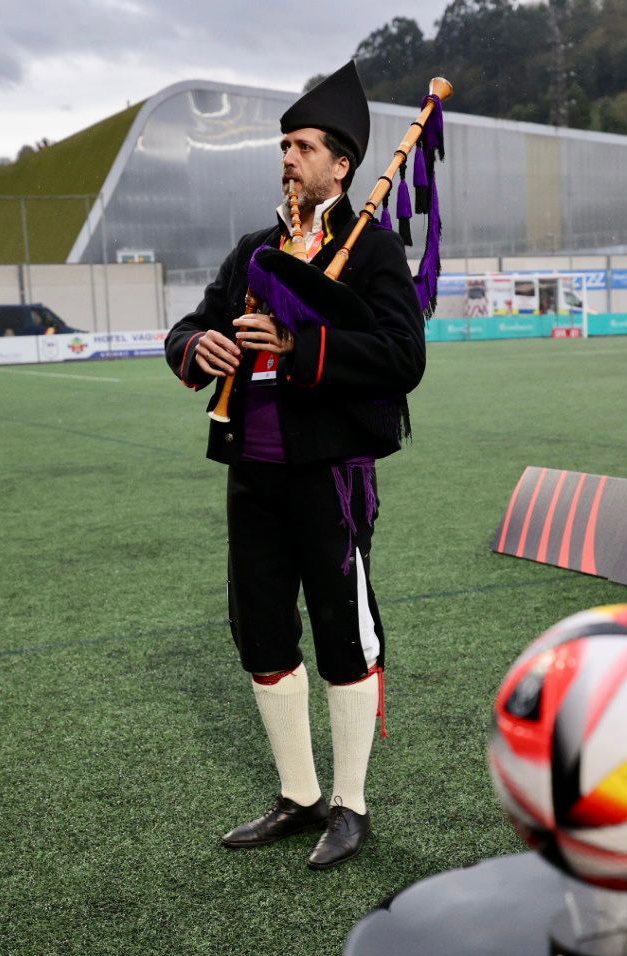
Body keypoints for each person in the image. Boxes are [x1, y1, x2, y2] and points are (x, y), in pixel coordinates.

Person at [163, 61, 427, 869]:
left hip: (332, 476)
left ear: (341, 165)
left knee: (346, 639)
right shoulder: (254, 250)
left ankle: (351, 806)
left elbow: (401, 355)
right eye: (284, 144)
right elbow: (188, 328)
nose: (289, 158)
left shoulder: (373, 248)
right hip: (255, 476)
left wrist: (298, 344)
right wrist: (194, 347)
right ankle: (299, 795)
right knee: (263, 635)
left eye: (304, 146)